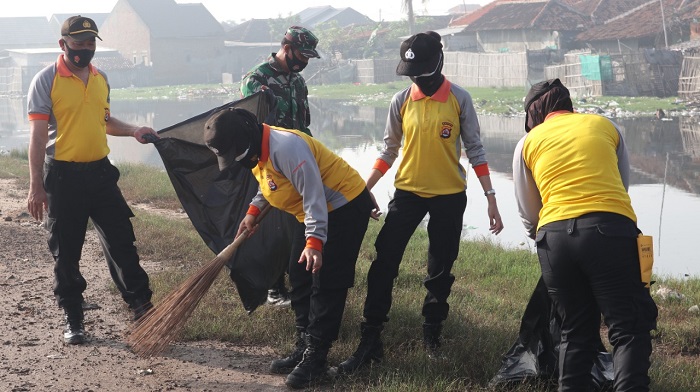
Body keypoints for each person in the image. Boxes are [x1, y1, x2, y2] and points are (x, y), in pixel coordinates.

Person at [338, 31, 504, 374]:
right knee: (384, 262)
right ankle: (370, 339)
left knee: (440, 270)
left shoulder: (459, 99)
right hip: (407, 194)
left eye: (421, 71)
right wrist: (364, 189)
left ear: (437, 63)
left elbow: (475, 150)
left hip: (449, 197)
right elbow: (388, 149)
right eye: (410, 73)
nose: (416, 79)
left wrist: (491, 197)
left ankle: (432, 336)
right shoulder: (401, 101)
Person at [203, 107, 378, 388]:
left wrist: (315, 242)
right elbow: (270, 184)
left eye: (236, 153)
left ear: (246, 138)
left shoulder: (287, 148)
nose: (237, 160)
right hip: (309, 213)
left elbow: (314, 196)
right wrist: (252, 211)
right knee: (299, 275)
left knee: (326, 281)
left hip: (342, 206)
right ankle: (303, 344)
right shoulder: (258, 150)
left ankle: (316, 359)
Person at [511, 78, 658, 391]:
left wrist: (548, 240)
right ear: (567, 104)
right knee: (628, 329)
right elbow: (621, 184)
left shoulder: (528, 142)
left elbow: (528, 211)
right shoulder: (604, 125)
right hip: (609, 230)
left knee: (575, 331)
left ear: (535, 113)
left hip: (553, 239)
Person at [26, 15, 156, 345]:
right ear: (63, 44)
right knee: (67, 252)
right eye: (79, 42)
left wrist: (134, 130)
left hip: (100, 174)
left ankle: (143, 309)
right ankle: (74, 318)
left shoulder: (101, 79)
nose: (86, 48)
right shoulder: (46, 80)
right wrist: (35, 186)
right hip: (63, 177)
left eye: (90, 42)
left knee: (122, 243)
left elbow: (105, 120)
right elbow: (38, 138)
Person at [240, 25, 321, 306]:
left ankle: (300, 281)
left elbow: (303, 124)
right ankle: (274, 288)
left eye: (310, 57)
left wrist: (315, 154)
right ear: (286, 48)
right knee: (273, 228)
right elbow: (249, 128)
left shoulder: (298, 81)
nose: (305, 62)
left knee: (296, 224)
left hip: (297, 161)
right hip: (269, 163)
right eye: (303, 55)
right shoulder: (256, 79)